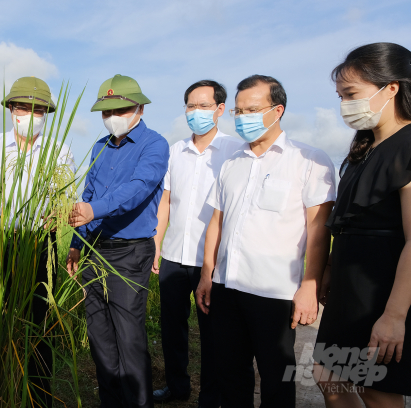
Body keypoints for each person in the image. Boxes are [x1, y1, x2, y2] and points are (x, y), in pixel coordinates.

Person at [195, 75, 336, 408]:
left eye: (252, 110)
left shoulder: (308, 160)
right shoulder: (231, 163)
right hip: (227, 288)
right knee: (231, 374)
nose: (244, 117)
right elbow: (217, 221)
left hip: (274, 293)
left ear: (278, 110)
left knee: (276, 379)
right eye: (239, 111)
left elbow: (318, 231)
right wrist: (206, 275)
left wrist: (309, 286)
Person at [313, 42, 411, 408]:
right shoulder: (363, 148)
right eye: (340, 96)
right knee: (329, 377)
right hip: (348, 289)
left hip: (384, 289)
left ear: (392, 87)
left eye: (351, 94)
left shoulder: (407, 146)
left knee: (376, 387)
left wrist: (395, 316)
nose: (344, 106)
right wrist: (328, 268)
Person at [0, 76, 76, 407]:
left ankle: (37, 397)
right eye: (21, 107)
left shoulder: (60, 152)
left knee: (39, 325)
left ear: (46, 113)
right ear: (10, 110)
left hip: (40, 246)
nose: (29, 114)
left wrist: (58, 215)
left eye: (37, 109)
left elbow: (65, 200)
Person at [66, 74, 169, 408]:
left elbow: (139, 187)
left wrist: (93, 209)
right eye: (105, 111)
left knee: (128, 336)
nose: (112, 117)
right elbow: (88, 195)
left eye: (119, 109)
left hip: (129, 252)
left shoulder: (155, 145)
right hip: (95, 252)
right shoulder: (99, 147)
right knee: (100, 336)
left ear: (138, 107)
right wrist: (76, 244)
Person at [152, 80, 242, 405]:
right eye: (191, 106)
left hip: (213, 259)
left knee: (213, 333)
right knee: (171, 327)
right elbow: (165, 202)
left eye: (204, 106)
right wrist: (157, 243)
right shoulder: (175, 151)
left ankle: (210, 394)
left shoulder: (235, 151)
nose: (196, 112)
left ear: (219, 109)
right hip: (175, 255)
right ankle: (177, 387)